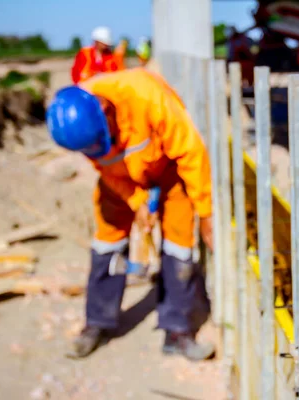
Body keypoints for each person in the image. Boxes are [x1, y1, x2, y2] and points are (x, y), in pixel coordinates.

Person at [46, 68, 214, 360]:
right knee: (106, 243)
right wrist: (136, 200)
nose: (99, 148)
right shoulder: (82, 125)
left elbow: (191, 152)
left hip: (168, 169)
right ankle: (97, 322)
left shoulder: (147, 96)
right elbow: (102, 166)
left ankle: (178, 329)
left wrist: (206, 212)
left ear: (106, 109)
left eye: (105, 137)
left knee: (179, 244)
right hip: (118, 180)